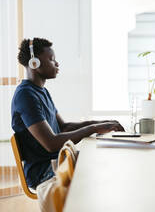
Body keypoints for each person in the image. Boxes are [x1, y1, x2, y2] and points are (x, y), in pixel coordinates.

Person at [11, 37, 124, 189]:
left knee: (103, 161)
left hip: (58, 161)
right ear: (34, 63)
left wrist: (100, 123)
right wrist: (93, 129)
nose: (57, 64)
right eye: (52, 59)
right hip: (43, 172)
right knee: (100, 172)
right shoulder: (25, 96)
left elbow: (64, 127)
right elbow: (51, 143)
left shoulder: (42, 92)